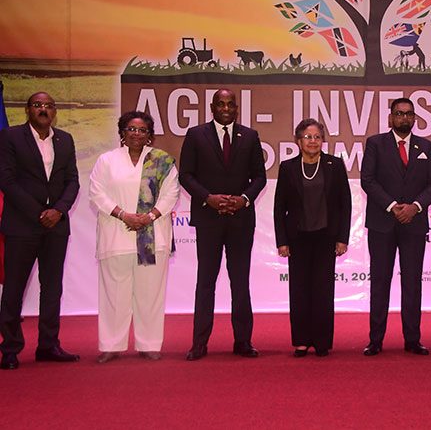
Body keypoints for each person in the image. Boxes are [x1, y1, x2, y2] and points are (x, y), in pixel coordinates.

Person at [179, 89, 267, 361]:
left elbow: (259, 178)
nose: (226, 108)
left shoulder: (250, 136)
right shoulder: (196, 135)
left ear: (236, 108)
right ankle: (199, 344)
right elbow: (186, 175)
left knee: (240, 282)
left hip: (241, 220)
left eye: (231, 104)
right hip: (209, 218)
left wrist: (243, 199)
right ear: (213, 107)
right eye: (221, 104)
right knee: (205, 282)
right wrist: (209, 198)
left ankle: (243, 341)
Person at [88, 111, 180, 363]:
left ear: (149, 135)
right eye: (131, 129)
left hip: (152, 236)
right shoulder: (107, 161)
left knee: (150, 293)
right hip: (115, 235)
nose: (136, 134)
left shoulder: (163, 162)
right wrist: (123, 215)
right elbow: (97, 192)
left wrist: (148, 217)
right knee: (113, 294)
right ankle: (111, 344)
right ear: (122, 132)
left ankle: (149, 344)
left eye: (142, 130)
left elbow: (170, 195)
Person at [0, 92, 80, 370]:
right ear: (27, 110)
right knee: (14, 288)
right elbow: (7, 181)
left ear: (54, 111)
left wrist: (58, 210)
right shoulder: (10, 137)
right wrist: (38, 213)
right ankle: (10, 348)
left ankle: (48, 345)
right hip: (22, 225)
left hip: (56, 226)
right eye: (37, 105)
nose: (43, 110)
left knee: (52, 288)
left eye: (48, 106)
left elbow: (72, 181)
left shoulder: (65, 139)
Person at [361, 98, 431, 356]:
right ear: (390, 118)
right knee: (380, 283)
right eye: (399, 114)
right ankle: (375, 340)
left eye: (408, 114)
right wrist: (393, 205)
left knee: (412, 283)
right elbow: (368, 180)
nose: (404, 118)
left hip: (414, 224)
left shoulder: (426, 146)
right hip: (382, 223)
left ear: (414, 118)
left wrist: (415, 207)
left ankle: (412, 340)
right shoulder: (375, 144)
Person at [274, 119, 352, 357]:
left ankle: (321, 341)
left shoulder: (334, 165)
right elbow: (279, 207)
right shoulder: (287, 168)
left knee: (323, 290)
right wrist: (282, 240)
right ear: (298, 141)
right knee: (299, 290)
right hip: (297, 238)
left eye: (317, 137)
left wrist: (342, 238)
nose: (313, 141)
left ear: (323, 141)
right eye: (308, 137)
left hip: (325, 237)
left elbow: (345, 204)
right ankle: (301, 340)